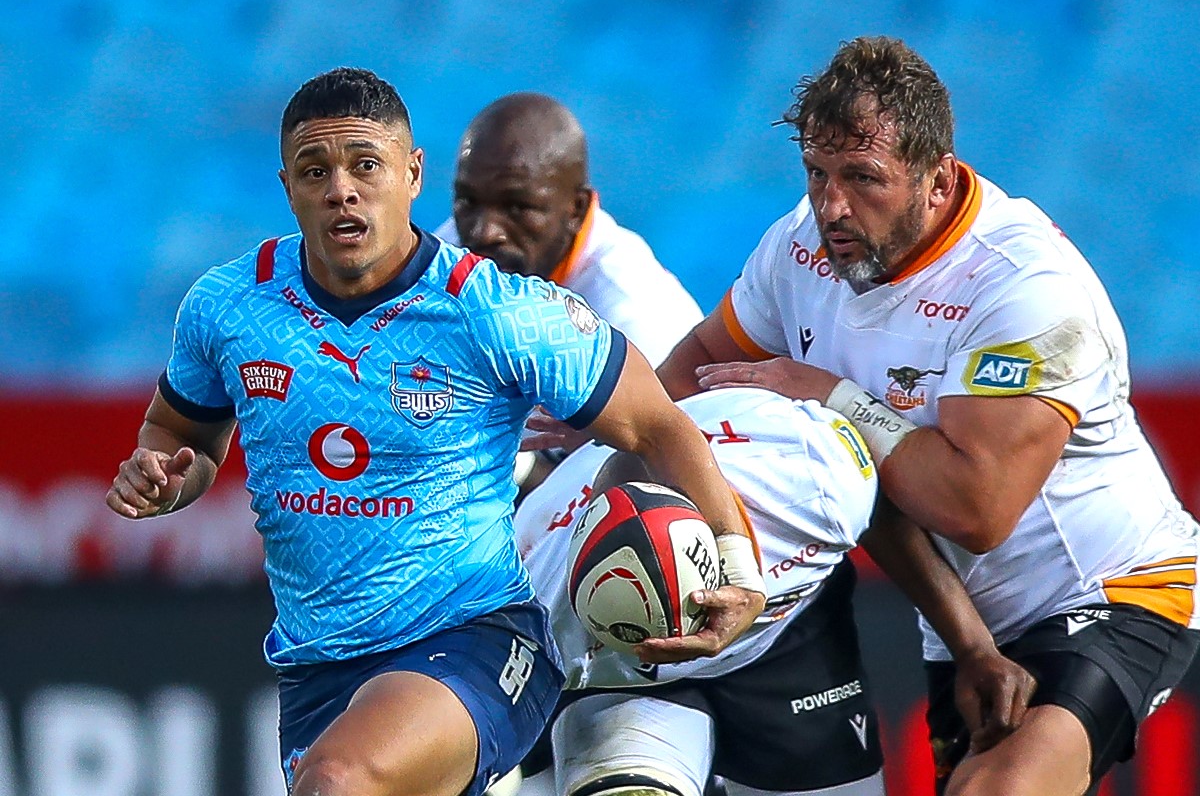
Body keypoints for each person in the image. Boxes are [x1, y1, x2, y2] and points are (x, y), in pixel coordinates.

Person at [104, 68, 765, 796]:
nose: (341, 190)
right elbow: (179, 432)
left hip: (473, 640)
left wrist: (738, 565)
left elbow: (660, 424)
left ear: (412, 174)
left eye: (366, 165)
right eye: (316, 171)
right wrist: (164, 475)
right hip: (316, 672)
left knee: (340, 782)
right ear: (287, 186)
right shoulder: (228, 307)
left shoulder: (493, 311)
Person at [657, 36, 1200, 796]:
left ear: (938, 178)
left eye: (863, 178)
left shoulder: (1024, 289)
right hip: (961, 620)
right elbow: (691, 379)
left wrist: (828, 395)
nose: (831, 206)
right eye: (816, 173)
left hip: (1113, 587)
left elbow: (973, 508)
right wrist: (602, 434)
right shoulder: (800, 249)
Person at [514, 387, 1033, 796]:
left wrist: (971, 646)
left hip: (785, 646)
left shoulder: (809, 475)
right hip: (631, 684)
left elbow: (874, 509)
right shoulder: (532, 597)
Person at [436, 92, 702, 368]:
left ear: (577, 209)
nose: (484, 233)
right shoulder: (449, 252)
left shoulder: (636, 326)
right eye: (468, 200)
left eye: (517, 207)